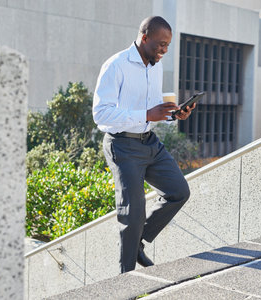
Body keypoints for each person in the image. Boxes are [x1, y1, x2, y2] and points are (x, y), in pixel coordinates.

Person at [93, 16, 196, 273]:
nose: (164, 50)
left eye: (168, 46)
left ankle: (138, 243)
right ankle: (126, 277)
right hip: (122, 145)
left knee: (179, 191)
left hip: (149, 142)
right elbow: (101, 114)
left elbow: (153, 110)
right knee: (133, 213)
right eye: (161, 44)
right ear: (145, 37)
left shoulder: (155, 65)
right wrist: (147, 114)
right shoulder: (115, 65)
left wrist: (174, 115)